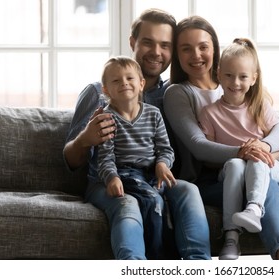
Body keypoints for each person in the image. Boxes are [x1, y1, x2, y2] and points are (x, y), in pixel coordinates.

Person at [164, 15, 279, 260]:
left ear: (215, 51)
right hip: (217, 179)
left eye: (203, 47)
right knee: (267, 185)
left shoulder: (237, 81)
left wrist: (263, 147)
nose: (196, 55)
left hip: (261, 166)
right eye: (186, 48)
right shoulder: (179, 93)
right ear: (177, 54)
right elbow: (199, 146)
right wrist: (247, 152)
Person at [63, 9, 211, 260]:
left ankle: (199, 265)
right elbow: (69, 161)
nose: (156, 52)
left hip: (153, 178)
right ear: (132, 42)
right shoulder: (99, 93)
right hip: (109, 180)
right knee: (127, 203)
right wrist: (86, 138)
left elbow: (176, 148)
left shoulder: (173, 97)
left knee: (187, 191)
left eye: (165, 45)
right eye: (147, 42)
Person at [198, 38, 279, 259]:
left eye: (243, 77)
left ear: (253, 79)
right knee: (236, 163)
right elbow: (208, 157)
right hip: (232, 172)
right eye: (228, 75)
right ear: (218, 74)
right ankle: (231, 239)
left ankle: (254, 209)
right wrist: (239, 154)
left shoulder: (259, 106)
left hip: (268, 170)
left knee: (255, 160)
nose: (235, 82)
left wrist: (262, 153)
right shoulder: (209, 113)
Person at [97, 56, 176, 259]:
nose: (124, 82)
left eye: (129, 78)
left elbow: (166, 149)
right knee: (153, 200)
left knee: (166, 203)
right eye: (116, 80)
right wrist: (111, 178)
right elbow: (105, 158)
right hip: (126, 173)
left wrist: (162, 164)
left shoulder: (154, 114)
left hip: (152, 172)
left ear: (141, 84)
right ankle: (157, 259)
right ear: (105, 90)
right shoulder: (107, 119)